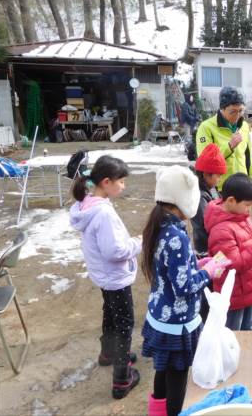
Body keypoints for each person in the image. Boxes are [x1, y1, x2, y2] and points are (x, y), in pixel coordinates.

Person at [141, 165, 230, 416]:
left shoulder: (158, 224)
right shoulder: (176, 235)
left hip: (160, 317)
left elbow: (170, 270)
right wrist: (209, 272)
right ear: (183, 199)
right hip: (176, 324)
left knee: (163, 372)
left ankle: (155, 412)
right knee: (178, 381)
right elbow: (184, 287)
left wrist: (198, 264)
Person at [69, 155, 141, 399]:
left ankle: (108, 353)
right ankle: (122, 379)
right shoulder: (104, 214)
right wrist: (138, 243)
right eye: (121, 181)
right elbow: (116, 251)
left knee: (111, 314)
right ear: (107, 182)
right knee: (124, 323)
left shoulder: (88, 203)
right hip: (114, 276)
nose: (124, 186)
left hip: (103, 275)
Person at [205, 173, 252, 331]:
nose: (249, 210)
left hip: (248, 287)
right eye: (247, 205)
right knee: (232, 333)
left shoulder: (240, 216)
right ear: (230, 200)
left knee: (249, 328)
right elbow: (232, 264)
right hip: (233, 294)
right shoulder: (221, 231)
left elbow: (248, 246)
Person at [195, 86, 252, 188]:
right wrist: (229, 146)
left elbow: (248, 157)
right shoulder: (206, 128)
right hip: (220, 188)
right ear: (222, 109)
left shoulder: (244, 126)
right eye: (233, 111)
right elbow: (204, 162)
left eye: (241, 110)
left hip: (243, 186)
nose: (237, 115)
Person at [190, 143, 227, 259]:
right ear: (206, 174)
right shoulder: (200, 196)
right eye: (218, 176)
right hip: (205, 247)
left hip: (214, 242)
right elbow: (205, 224)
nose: (219, 179)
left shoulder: (212, 189)